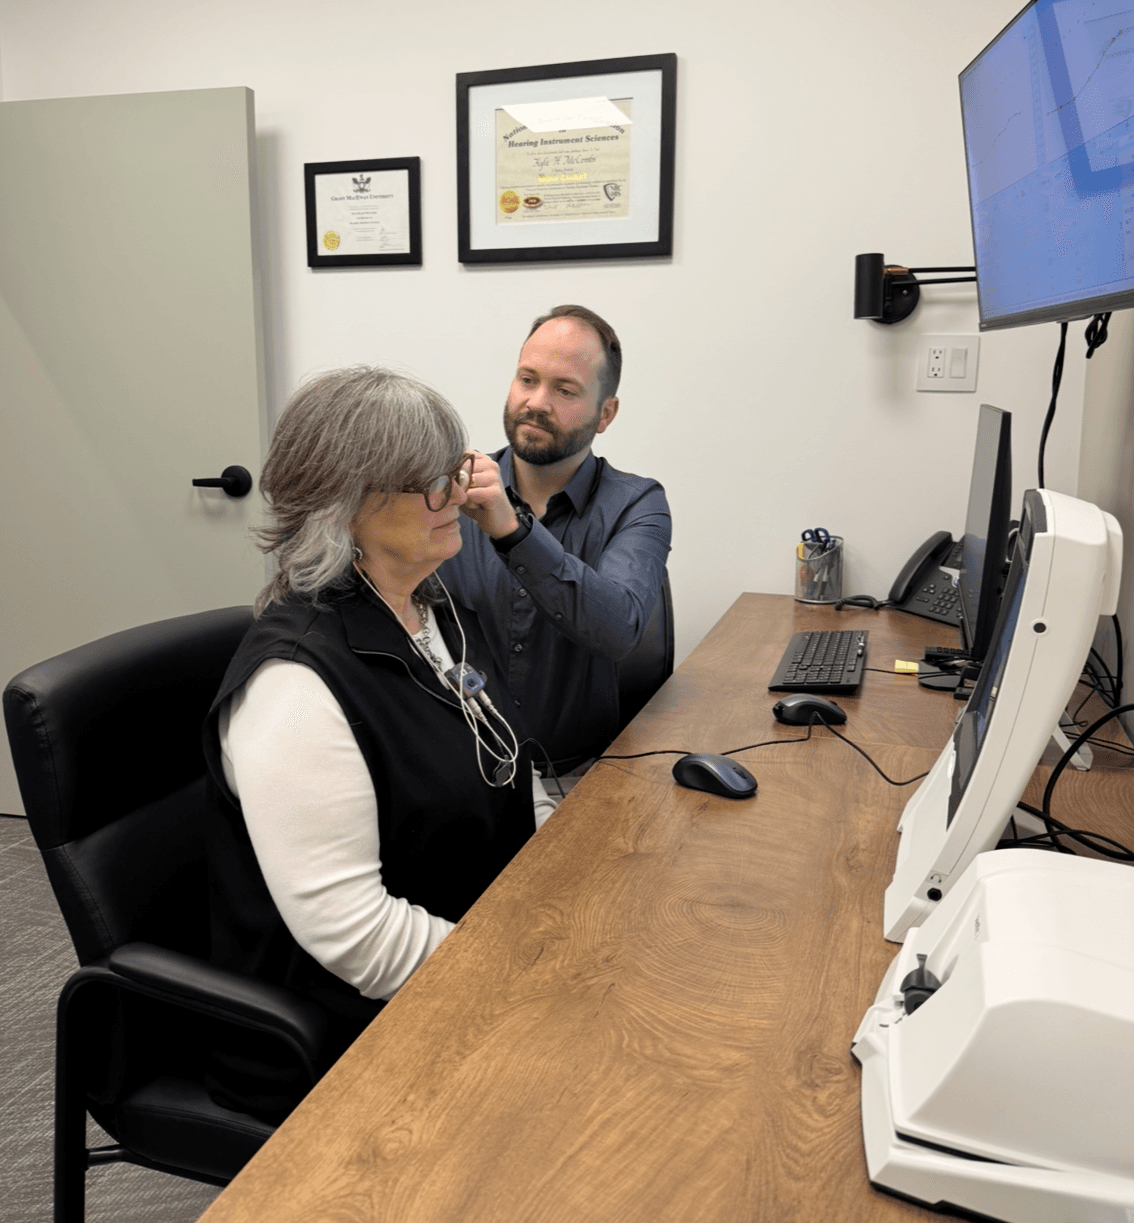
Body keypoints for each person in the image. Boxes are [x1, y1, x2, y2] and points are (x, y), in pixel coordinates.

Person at [202, 366, 556, 1119]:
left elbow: (508, 766)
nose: (458, 494)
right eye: (430, 480)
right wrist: (520, 970)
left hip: (460, 955)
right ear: (346, 505)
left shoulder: (435, 613)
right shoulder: (293, 687)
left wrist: (565, 883)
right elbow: (357, 935)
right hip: (340, 1032)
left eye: (453, 470)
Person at [439, 304, 672, 777]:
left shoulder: (637, 503)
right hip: (461, 772)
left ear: (606, 414)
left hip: (582, 772)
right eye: (527, 379)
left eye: (565, 390)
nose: (538, 402)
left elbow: (618, 628)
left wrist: (513, 531)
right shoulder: (451, 490)